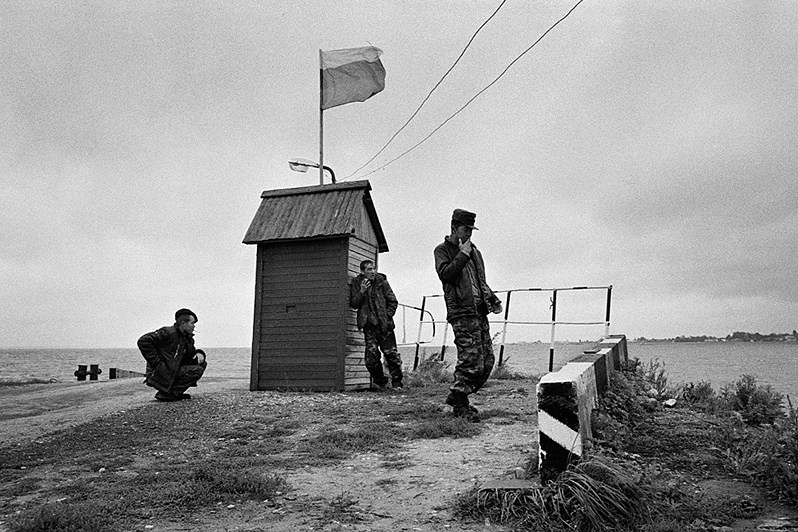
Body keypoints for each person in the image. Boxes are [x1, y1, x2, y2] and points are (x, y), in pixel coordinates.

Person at [434, 209, 503, 421]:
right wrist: (462, 254)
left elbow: (480, 281)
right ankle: (460, 403)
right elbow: (446, 274)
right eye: (466, 229)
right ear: (454, 228)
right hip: (461, 312)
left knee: (487, 361)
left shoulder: (476, 252)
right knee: (470, 359)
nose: (469, 234)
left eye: (472, 230)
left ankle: (457, 395)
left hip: (479, 311)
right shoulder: (443, 250)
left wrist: (492, 299)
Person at [349, 260, 403, 390]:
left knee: (391, 355)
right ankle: (381, 382)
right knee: (371, 358)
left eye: (374, 269)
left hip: (385, 325)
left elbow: (393, 301)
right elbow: (354, 304)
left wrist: (387, 315)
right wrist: (362, 291)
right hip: (369, 326)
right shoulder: (357, 283)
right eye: (369, 269)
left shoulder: (382, 282)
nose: (373, 271)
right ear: (362, 271)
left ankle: (397, 383)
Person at [137, 308, 207, 402]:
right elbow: (143, 341)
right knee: (197, 370)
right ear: (183, 323)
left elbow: (190, 355)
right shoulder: (168, 333)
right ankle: (168, 393)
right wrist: (157, 364)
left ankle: (173, 393)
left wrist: (200, 353)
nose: (194, 327)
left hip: (172, 371)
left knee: (201, 364)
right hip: (160, 372)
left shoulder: (187, 338)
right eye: (192, 323)